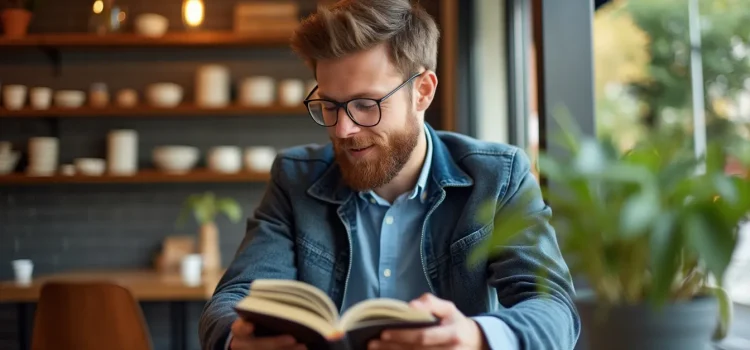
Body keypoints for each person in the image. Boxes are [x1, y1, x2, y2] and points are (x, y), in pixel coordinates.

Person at [199, 0, 580, 349]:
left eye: (365, 105)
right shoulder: (294, 177)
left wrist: (477, 337)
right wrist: (236, 341)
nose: (343, 130)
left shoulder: (498, 178)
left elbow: (555, 311)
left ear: (423, 92)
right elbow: (231, 300)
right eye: (329, 106)